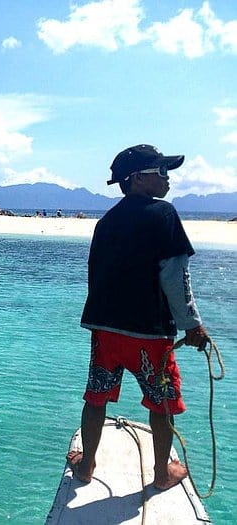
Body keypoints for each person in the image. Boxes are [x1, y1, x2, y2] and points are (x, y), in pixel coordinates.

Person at [69, 144, 209, 491]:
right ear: (136, 180)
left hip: (106, 330)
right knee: (161, 404)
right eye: (161, 172)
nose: (167, 180)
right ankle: (161, 474)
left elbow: (96, 276)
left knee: (96, 396)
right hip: (149, 333)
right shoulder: (164, 214)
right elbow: (175, 278)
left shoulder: (105, 222)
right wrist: (192, 325)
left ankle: (86, 464)